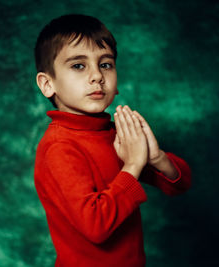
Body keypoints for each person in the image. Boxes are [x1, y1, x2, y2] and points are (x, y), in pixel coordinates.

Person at [34, 14, 191, 267]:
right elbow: (96, 226)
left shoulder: (114, 134)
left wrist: (155, 158)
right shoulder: (59, 147)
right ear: (47, 84)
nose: (97, 76)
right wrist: (132, 166)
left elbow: (179, 184)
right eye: (78, 65)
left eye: (105, 64)